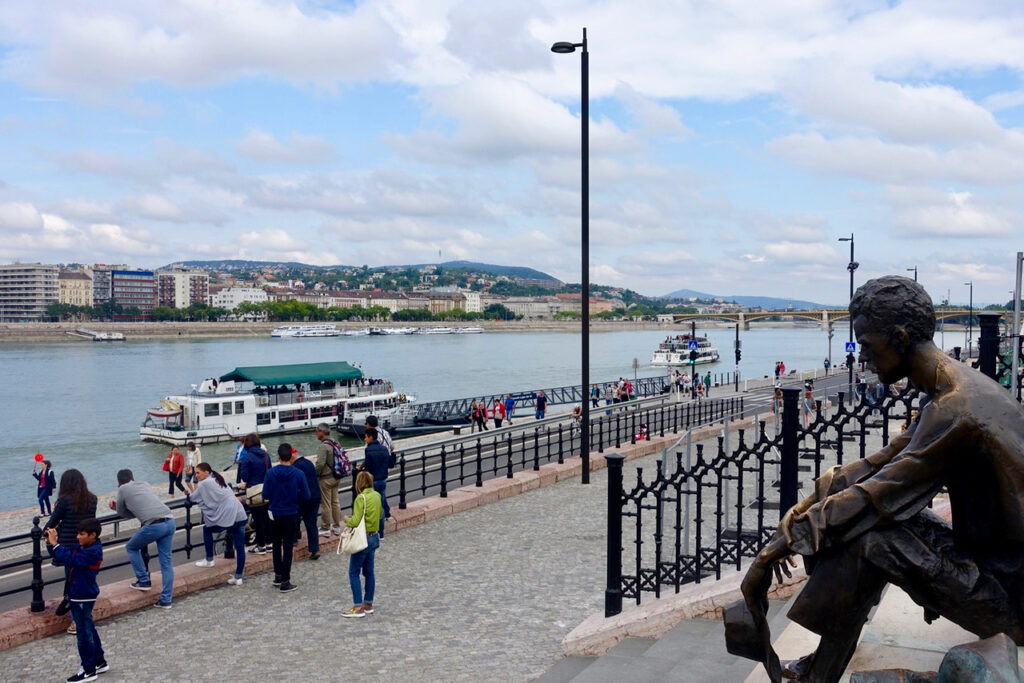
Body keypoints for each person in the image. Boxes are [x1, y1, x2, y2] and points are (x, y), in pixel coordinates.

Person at [734, 276, 1024, 681]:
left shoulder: (956, 410)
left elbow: (877, 492)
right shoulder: (952, 388)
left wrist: (770, 554)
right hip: (1000, 571)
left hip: (1011, 599)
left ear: (900, 338)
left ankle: (820, 672)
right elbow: (880, 463)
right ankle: (821, 666)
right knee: (858, 517)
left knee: (869, 536)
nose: (863, 358)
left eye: (867, 344)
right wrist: (806, 507)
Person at [45, 518, 107, 682]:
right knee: (89, 627)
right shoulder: (84, 547)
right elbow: (63, 554)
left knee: (83, 633)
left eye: (81, 534)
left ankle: (88, 670)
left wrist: (56, 544)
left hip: (83, 595)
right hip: (81, 594)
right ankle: (99, 661)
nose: (78, 537)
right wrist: (51, 542)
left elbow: (73, 560)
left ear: (92, 535)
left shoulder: (92, 551)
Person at [109, 469, 175, 609]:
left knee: (131, 547)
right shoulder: (144, 483)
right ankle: (166, 600)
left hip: (154, 525)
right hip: (170, 520)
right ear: (133, 477)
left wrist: (115, 508)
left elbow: (121, 512)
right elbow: (145, 504)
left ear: (118, 482)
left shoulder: (122, 489)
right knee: (166, 562)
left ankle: (144, 580)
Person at [45, 468, 98, 634]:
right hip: (87, 545)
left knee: (72, 582)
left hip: (69, 546)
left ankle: (77, 622)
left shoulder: (64, 501)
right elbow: (89, 521)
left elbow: (51, 523)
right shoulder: (92, 499)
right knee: (86, 580)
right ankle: (85, 615)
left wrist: (51, 533)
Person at [188, 463, 247, 585]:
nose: (196, 475)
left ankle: (209, 559)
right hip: (239, 513)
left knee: (207, 529)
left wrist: (188, 480)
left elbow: (193, 497)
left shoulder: (205, 483)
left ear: (206, 472)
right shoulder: (216, 478)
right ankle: (238, 577)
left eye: (198, 473)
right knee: (240, 547)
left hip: (228, 515)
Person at [262, 443, 309, 592]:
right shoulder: (298, 474)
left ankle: (277, 574)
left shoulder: (270, 473)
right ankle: (286, 580)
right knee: (288, 546)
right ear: (291, 455)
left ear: (278, 456)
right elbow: (306, 495)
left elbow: (265, 495)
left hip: (274, 512)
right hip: (291, 512)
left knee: (276, 544)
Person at [341, 471, 382, 619]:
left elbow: (356, 521)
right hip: (374, 536)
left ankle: (358, 607)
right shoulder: (377, 495)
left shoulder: (361, 498)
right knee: (369, 572)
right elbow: (380, 514)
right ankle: (368, 603)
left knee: (354, 572)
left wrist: (347, 519)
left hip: (362, 538)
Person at [236, 432, 272, 554]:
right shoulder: (266, 455)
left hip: (253, 492)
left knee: (258, 519)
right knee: (266, 517)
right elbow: (270, 472)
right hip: (266, 489)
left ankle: (261, 545)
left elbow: (244, 476)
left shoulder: (247, 457)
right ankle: (270, 543)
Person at [358, 427, 391, 537]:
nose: (364, 439)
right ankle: (381, 534)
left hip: (373, 482)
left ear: (371, 437)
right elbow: (390, 463)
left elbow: (368, 467)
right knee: (380, 507)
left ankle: (371, 532)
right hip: (383, 480)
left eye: (366, 437)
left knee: (370, 508)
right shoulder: (384, 449)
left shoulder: (368, 450)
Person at [290, 449, 322, 560]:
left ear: (292, 457)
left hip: (303, 498)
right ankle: (315, 549)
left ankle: (293, 540)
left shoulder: (295, 467)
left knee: (295, 517)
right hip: (315, 496)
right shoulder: (308, 462)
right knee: (312, 523)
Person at [313, 423, 342, 537]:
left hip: (326, 478)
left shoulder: (323, 446)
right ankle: (337, 526)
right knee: (335, 502)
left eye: (317, 431)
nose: (316, 433)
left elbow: (320, 464)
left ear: (321, 432)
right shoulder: (335, 442)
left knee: (326, 504)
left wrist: (316, 474)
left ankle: (325, 527)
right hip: (336, 476)